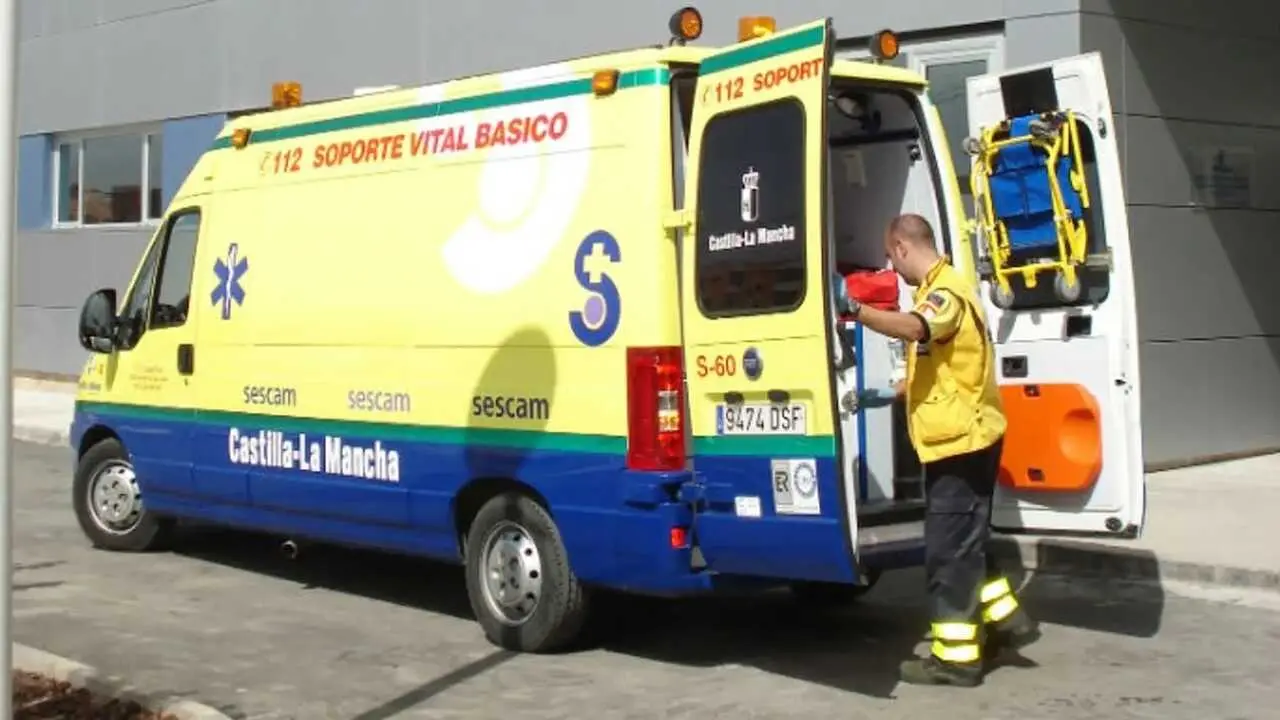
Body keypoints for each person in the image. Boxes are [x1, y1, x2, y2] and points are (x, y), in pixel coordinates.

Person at [842, 213, 1039, 688]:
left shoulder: (944, 294)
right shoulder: (945, 287)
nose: (893, 267)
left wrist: (855, 311)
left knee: (948, 553)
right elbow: (947, 364)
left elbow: (917, 329)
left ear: (902, 247)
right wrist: (899, 389)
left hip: (960, 444)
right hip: (964, 438)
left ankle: (956, 660)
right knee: (967, 540)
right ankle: (1007, 621)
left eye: (891, 257)